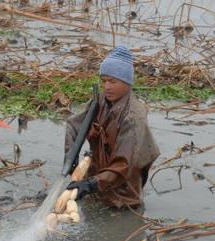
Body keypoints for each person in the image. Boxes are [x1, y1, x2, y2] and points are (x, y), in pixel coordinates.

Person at [64, 45, 160, 208]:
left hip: (122, 198)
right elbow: (74, 126)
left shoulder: (133, 117)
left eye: (113, 81)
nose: (107, 87)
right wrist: (70, 156)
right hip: (95, 188)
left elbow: (123, 165)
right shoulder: (100, 101)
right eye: (104, 81)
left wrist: (90, 184)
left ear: (127, 83)